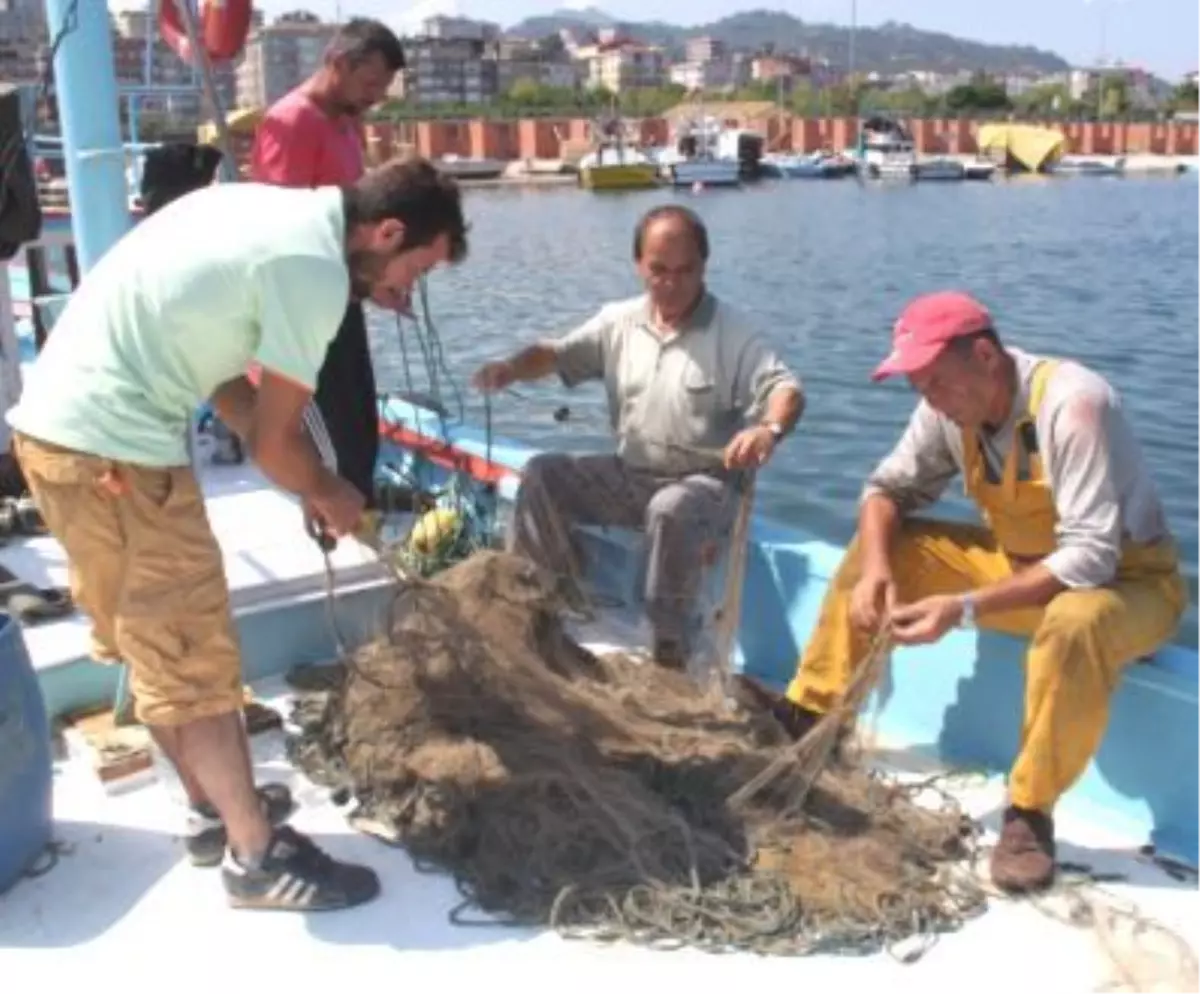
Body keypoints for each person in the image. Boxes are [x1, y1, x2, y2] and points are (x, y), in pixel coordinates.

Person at [6, 156, 469, 910]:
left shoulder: (264, 210)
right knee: (195, 659)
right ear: (386, 232)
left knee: (156, 647)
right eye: (413, 269)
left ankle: (209, 810)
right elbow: (273, 448)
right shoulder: (315, 272)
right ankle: (254, 859)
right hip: (116, 458)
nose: (404, 294)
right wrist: (327, 485)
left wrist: (310, 475)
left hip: (57, 440)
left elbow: (215, 372)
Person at [746, 290, 1186, 894]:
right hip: (1021, 569)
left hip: (1127, 587)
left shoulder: (1073, 404)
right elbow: (885, 488)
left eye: (936, 384)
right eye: (919, 389)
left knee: (1075, 622)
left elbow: (1090, 556)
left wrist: (965, 609)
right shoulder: (946, 410)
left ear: (984, 356)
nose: (931, 402)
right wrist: (876, 567)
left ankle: (1029, 815)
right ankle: (811, 713)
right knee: (893, 544)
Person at [472, 205, 803, 667]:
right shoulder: (618, 322)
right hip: (633, 474)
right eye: (658, 270)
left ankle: (668, 649)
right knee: (543, 474)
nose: (670, 283)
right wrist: (510, 368)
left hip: (710, 486)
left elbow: (786, 389)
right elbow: (556, 354)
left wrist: (767, 430)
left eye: (685, 271)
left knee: (670, 509)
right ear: (638, 266)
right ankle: (538, 605)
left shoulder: (733, 331)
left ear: (704, 267)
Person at [251, 18, 407, 524]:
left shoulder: (345, 122)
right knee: (331, 435)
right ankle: (333, 535)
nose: (374, 99)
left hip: (343, 299)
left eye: (382, 90)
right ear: (338, 64)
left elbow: (347, 223)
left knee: (360, 424)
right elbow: (282, 232)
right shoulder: (291, 123)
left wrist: (375, 284)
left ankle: (358, 524)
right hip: (306, 310)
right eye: (369, 85)